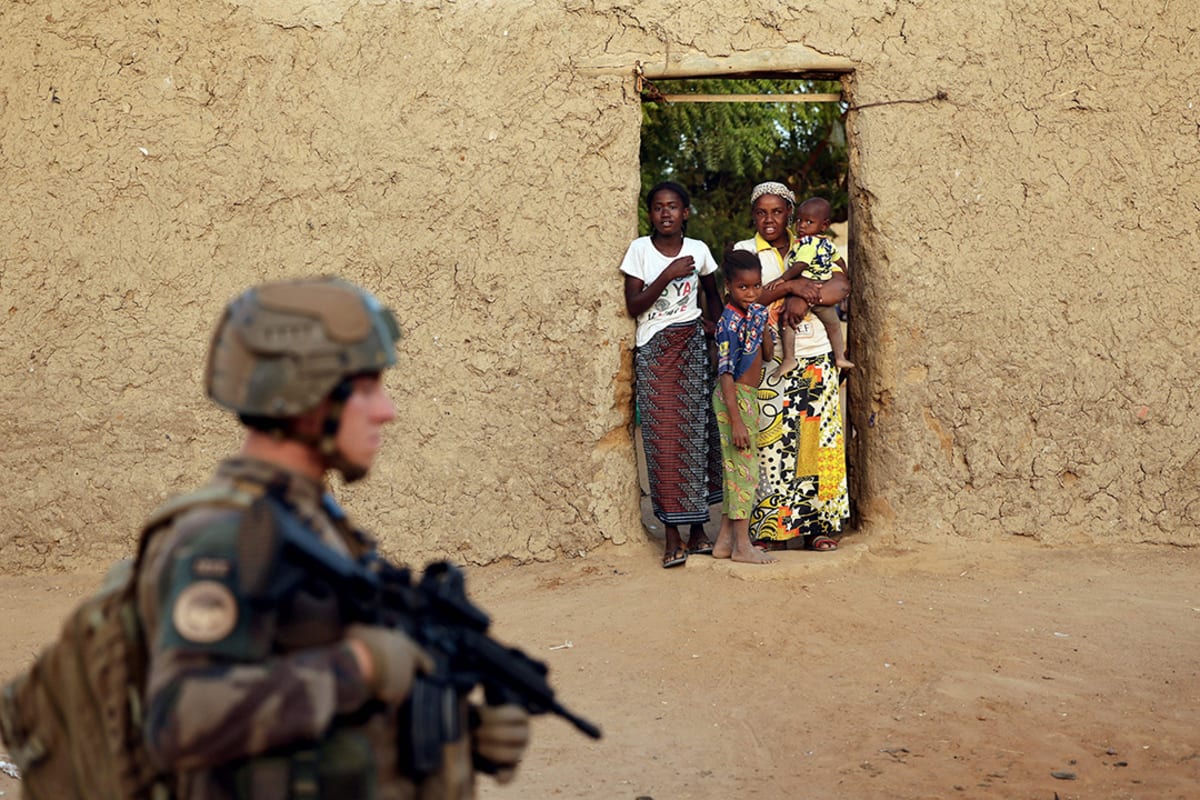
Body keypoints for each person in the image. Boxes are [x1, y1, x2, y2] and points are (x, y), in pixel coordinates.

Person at [135, 276, 531, 799]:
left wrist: (461, 733)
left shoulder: (308, 517)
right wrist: (360, 666)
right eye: (366, 389)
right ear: (307, 398)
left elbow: (320, 718)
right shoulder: (225, 537)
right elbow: (179, 719)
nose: (386, 410)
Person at [733, 190, 851, 553]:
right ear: (753, 216)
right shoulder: (745, 250)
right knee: (771, 449)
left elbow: (841, 285)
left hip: (815, 355)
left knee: (816, 445)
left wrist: (803, 295)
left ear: (789, 214)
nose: (769, 220)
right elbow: (741, 298)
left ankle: (818, 526)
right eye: (761, 213)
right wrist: (790, 285)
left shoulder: (811, 242)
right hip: (767, 363)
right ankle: (771, 529)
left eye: (777, 212)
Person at [620, 181, 723, 568]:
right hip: (656, 352)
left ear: (686, 213)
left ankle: (698, 533)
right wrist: (667, 275)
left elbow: (712, 293)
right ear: (650, 214)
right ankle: (672, 535)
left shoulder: (698, 250)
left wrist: (714, 328)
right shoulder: (640, 251)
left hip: (693, 349)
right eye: (659, 207)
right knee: (664, 442)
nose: (666, 213)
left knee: (697, 439)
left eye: (673, 207)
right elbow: (634, 305)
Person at [711, 250, 775, 565]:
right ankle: (741, 546)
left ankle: (724, 543)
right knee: (744, 475)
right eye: (743, 288)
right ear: (729, 287)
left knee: (736, 472)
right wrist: (736, 421)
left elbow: (767, 355)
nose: (751, 293)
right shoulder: (727, 323)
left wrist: (763, 322)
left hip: (748, 398)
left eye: (756, 286)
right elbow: (724, 373)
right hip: (732, 399)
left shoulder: (755, 314)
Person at [768, 196, 854, 371]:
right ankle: (839, 357)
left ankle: (789, 358)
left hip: (805, 288)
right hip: (822, 290)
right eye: (799, 221)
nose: (802, 226)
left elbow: (801, 265)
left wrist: (783, 279)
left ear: (823, 225)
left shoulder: (806, 243)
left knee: (787, 321)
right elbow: (839, 262)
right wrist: (845, 273)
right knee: (834, 325)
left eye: (809, 222)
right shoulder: (827, 244)